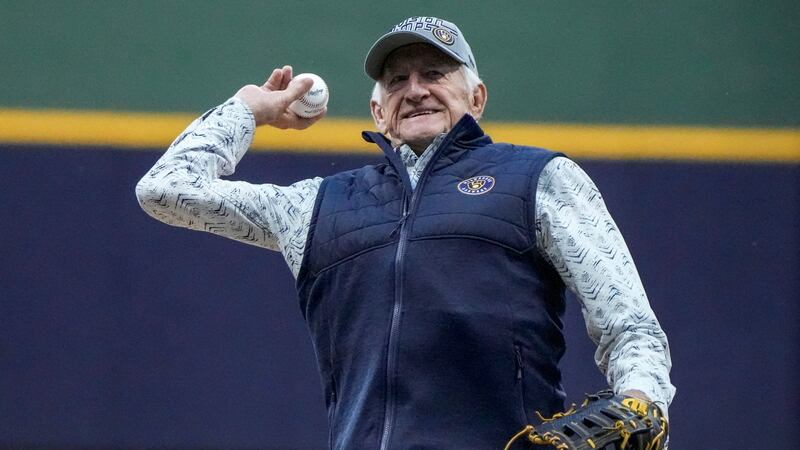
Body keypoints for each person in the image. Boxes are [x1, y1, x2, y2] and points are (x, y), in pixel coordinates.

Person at [136, 16, 674, 450]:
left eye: (435, 74)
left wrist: (641, 401)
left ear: (478, 98)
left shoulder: (539, 179)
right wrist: (248, 111)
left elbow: (631, 327)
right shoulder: (316, 205)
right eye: (398, 80)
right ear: (378, 109)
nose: (415, 90)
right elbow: (164, 190)